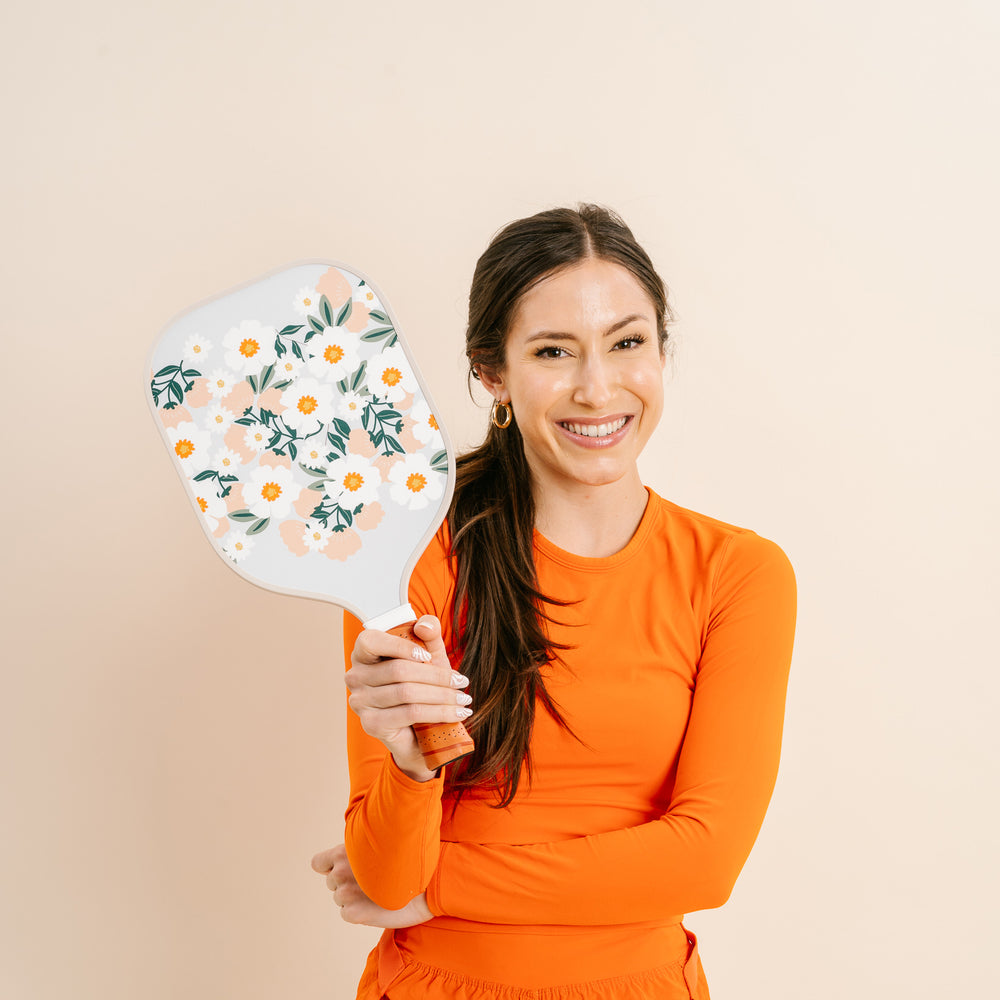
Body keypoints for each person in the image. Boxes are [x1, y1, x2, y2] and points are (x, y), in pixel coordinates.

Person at [311, 204, 797, 999]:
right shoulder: (407, 564)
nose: (597, 387)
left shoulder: (739, 574)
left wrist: (439, 888)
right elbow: (389, 868)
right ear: (493, 374)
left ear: (662, 350)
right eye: (552, 351)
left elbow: (705, 860)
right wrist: (408, 759)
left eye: (627, 342)